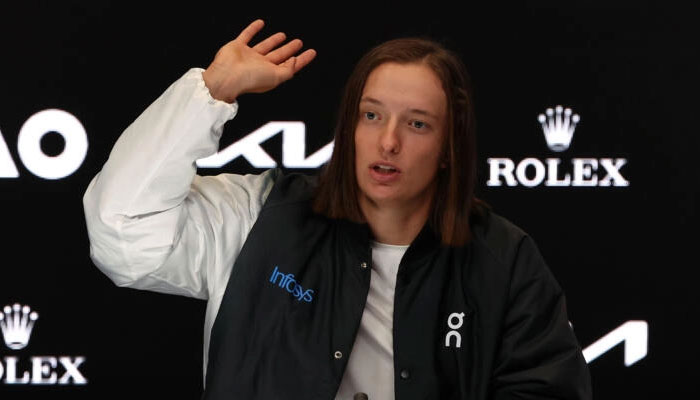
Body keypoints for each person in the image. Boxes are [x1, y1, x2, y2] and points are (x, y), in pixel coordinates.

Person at [83, 19, 592, 400]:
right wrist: (212, 92)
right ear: (349, 126)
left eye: (417, 124)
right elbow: (121, 231)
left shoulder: (504, 259)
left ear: (448, 148)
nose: (388, 141)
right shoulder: (259, 215)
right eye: (371, 116)